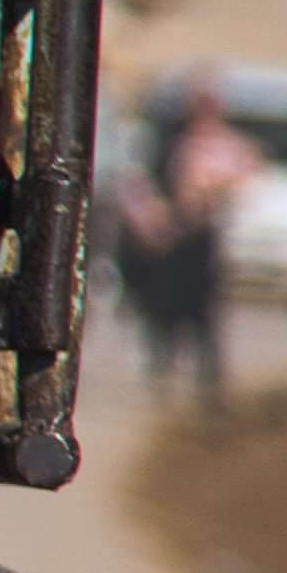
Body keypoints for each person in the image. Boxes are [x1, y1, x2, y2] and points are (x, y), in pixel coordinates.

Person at [109, 72, 231, 407]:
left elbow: (244, 177)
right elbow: (142, 183)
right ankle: (163, 365)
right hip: (172, 236)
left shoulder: (221, 143)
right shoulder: (169, 142)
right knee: (163, 304)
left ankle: (209, 377)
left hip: (201, 236)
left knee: (203, 306)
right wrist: (153, 218)